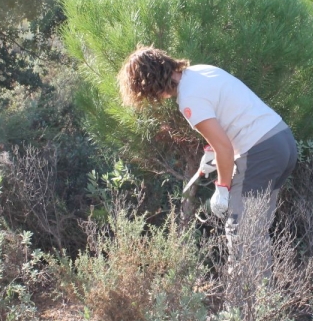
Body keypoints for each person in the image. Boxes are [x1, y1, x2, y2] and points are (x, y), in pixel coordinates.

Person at [118, 46, 298, 272]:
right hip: (282, 141)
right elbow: (230, 116)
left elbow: (225, 148)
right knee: (255, 230)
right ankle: (263, 292)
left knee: (242, 233)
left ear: (151, 85)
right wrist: (212, 151)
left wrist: (222, 189)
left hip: (260, 152)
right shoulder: (201, 71)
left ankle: (245, 295)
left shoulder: (188, 98)